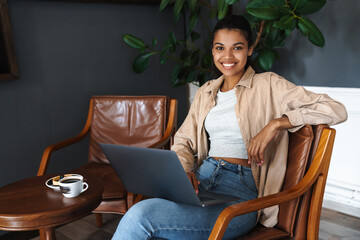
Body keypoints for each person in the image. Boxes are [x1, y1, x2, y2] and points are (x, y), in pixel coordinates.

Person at [112, 15, 347, 240]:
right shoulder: (206, 92)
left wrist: (277, 123)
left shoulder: (269, 84)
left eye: (237, 47)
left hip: (240, 195)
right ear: (213, 51)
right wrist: (184, 171)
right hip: (201, 181)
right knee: (148, 216)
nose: (228, 56)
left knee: (142, 216)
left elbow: (335, 109)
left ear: (250, 49)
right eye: (219, 48)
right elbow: (183, 141)